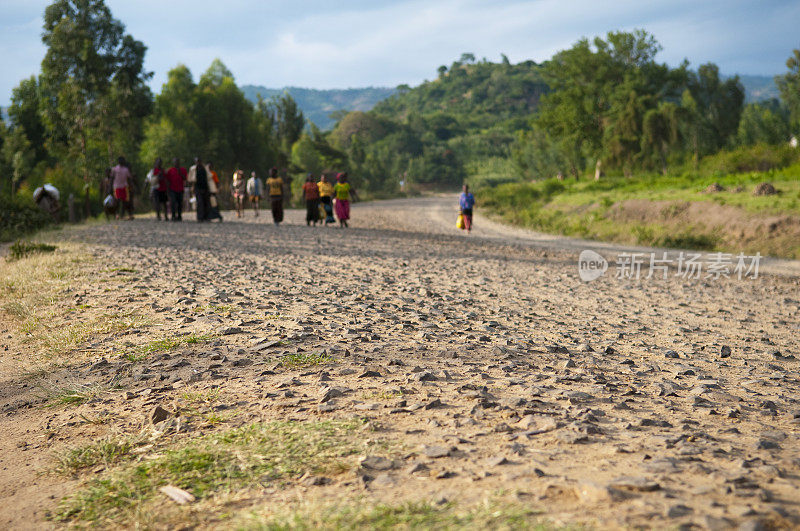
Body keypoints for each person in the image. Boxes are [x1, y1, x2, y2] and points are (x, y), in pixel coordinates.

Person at [188, 157, 211, 222]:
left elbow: (209, 177)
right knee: (199, 202)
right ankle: (200, 217)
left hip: (205, 187)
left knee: (206, 202)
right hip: (197, 187)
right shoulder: (193, 169)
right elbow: (190, 179)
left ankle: (206, 217)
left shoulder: (205, 168)